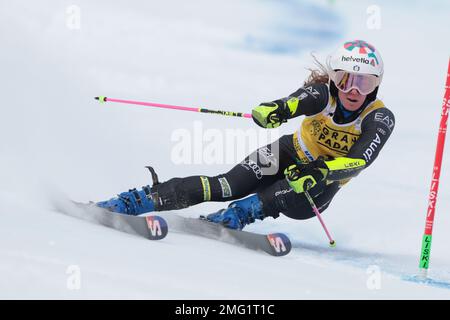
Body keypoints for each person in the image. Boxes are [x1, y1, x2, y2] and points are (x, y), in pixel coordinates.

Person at [97, 39, 395, 230]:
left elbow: (358, 161)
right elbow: (296, 102)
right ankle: (143, 200)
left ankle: (244, 212)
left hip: (319, 186)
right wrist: (274, 110)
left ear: (377, 85)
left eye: (365, 84)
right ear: (334, 79)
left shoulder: (379, 118)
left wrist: (322, 170)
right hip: (288, 152)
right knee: (227, 184)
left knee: (297, 186)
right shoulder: (322, 94)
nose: (354, 91)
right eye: (345, 80)